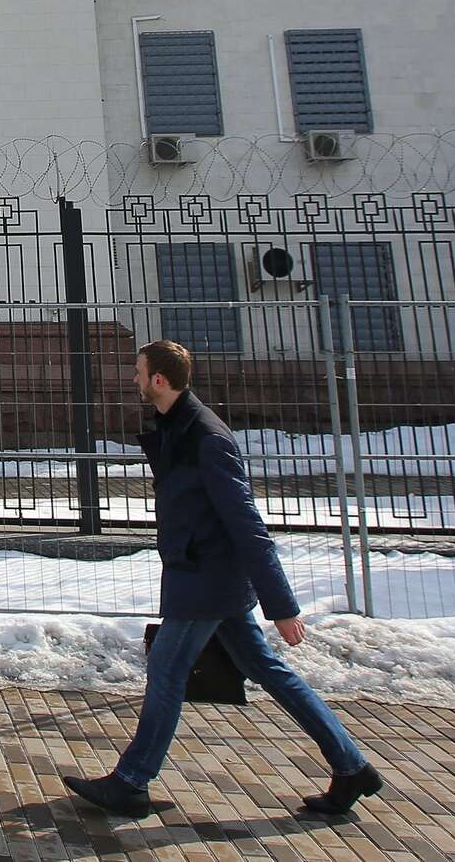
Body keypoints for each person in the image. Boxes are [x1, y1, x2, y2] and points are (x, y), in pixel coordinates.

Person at [63, 339, 382, 820]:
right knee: (266, 670)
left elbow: (247, 523)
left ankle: (131, 782)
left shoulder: (207, 438)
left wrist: (282, 606)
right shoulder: (178, 427)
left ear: (158, 380)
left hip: (205, 580)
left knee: (167, 669)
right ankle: (351, 766)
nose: (133, 379)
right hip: (205, 575)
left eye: (138, 372)